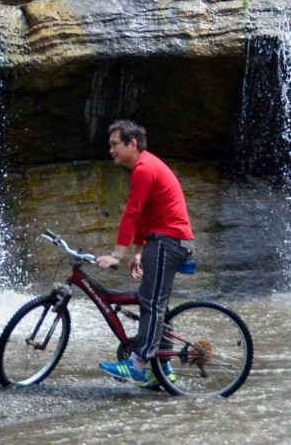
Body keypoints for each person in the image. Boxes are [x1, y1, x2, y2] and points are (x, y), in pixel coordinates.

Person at [95, 119, 195, 389]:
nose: (112, 150)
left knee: (151, 303)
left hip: (168, 241)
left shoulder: (144, 167)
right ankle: (164, 369)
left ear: (132, 144)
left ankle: (137, 364)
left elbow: (132, 212)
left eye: (115, 144)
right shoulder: (143, 167)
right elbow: (143, 217)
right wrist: (136, 252)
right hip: (162, 240)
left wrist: (117, 253)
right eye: (110, 145)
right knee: (153, 302)